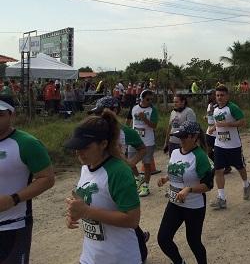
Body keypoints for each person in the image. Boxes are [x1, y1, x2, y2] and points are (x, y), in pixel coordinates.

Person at [64, 110, 146, 264]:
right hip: (91, 256)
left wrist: (87, 211)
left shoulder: (119, 171)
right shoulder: (86, 167)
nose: (78, 152)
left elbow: (132, 219)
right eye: (76, 146)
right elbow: (91, 203)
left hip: (119, 258)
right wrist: (74, 214)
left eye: (85, 147)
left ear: (103, 144)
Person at [0, 99, 55, 263]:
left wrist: (13, 199)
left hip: (13, 226)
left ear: (12, 115)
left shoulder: (27, 143)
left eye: (0, 114)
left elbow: (47, 178)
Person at [157, 121, 213, 264]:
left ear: (194, 137)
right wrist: (166, 178)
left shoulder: (200, 157)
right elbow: (178, 171)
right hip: (175, 203)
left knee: (193, 242)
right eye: (179, 136)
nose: (180, 140)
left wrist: (189, 189)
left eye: (184, 137)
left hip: (194, 206)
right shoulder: (175, 152)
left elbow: (208, 185)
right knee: (163, 238)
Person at [208, 85, 250, 209]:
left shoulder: (232, 108)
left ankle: (246, 184)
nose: (219, 97)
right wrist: (213, 128)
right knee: (218, 170)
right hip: (219, 144)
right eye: (217, 95)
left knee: (240, 167)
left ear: (227, 96)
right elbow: (218, 122)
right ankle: (222, 198)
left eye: (222, 95)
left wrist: (228, 124)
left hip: (233, 145)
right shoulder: (215, 109)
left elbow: (243, 122)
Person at [127, 90, 159, 197]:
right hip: (134, 140)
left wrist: (144, 119)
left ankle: (146, 186)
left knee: (147, 164)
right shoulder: (134, 108)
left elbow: (154, 126)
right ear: (142, 98)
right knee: (129, 163)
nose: (149, 101)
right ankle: (138, 178)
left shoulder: (152, 110)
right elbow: (129, 121)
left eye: (151, 99)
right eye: (147, 99)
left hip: (148, 141)